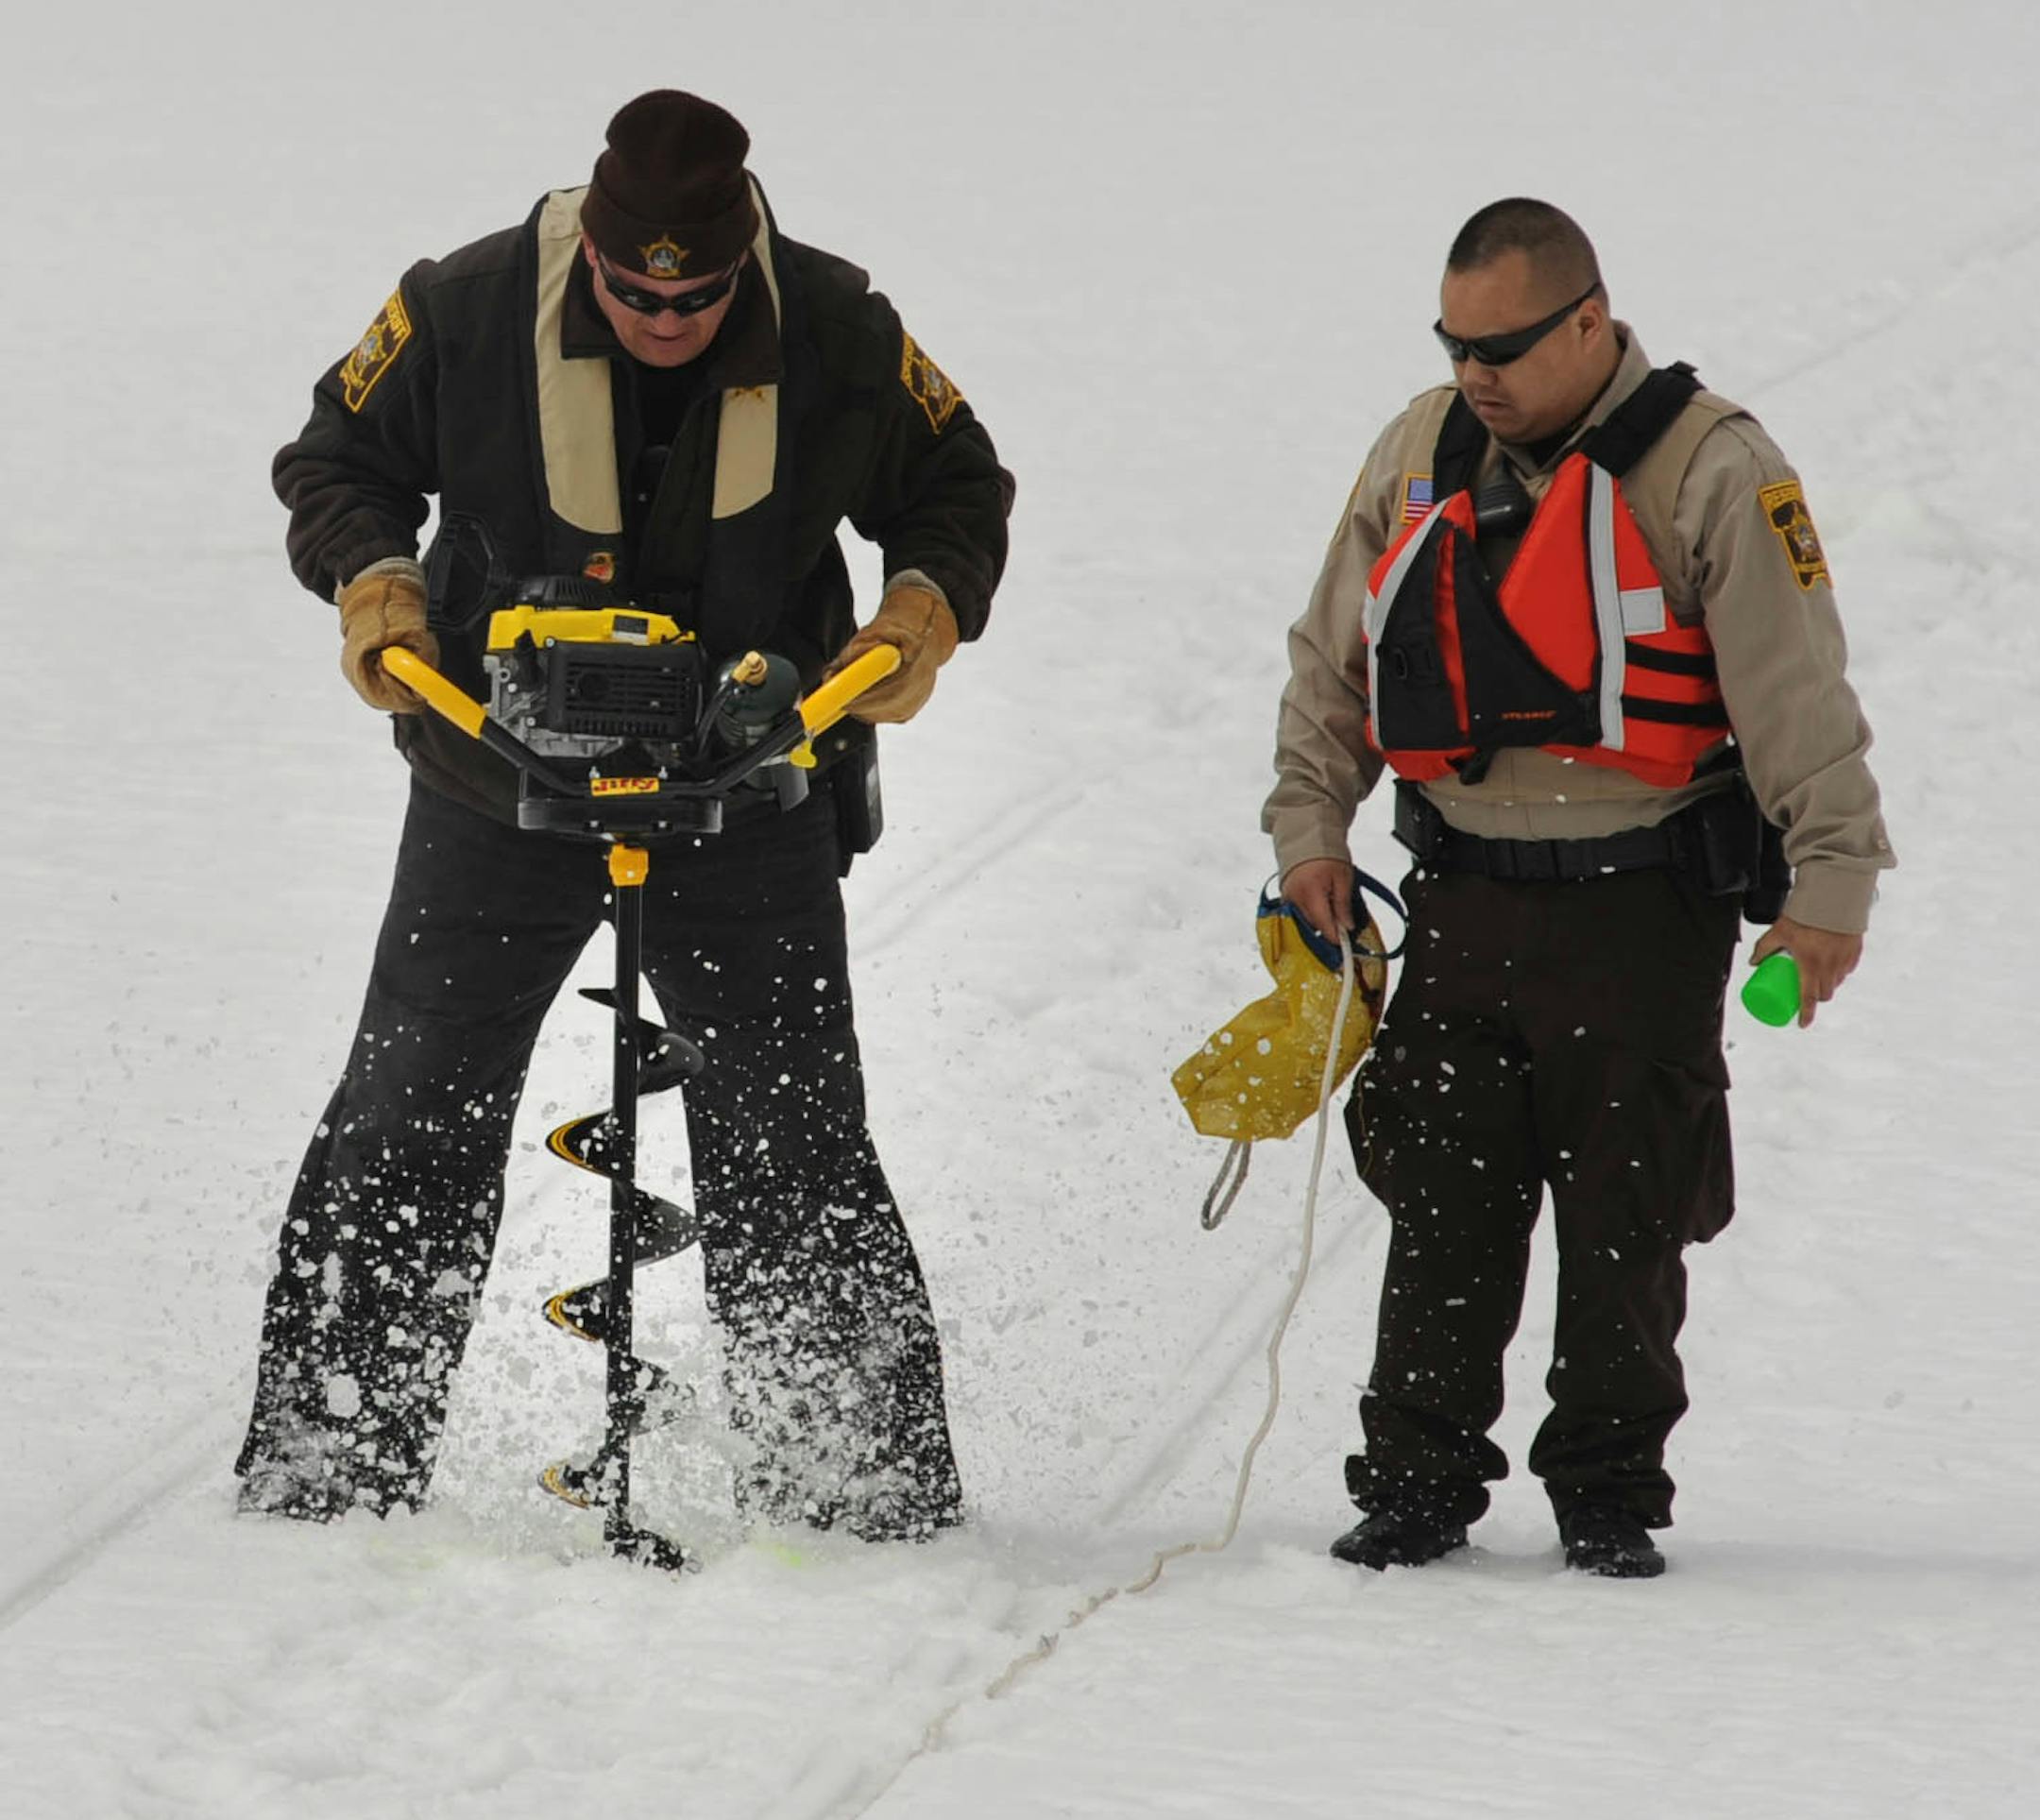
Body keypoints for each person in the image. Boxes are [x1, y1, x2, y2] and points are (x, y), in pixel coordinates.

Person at [236, 90, 1013, 1541]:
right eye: (635, 289)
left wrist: (924, 607)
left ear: (745, 262)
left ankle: (856, 1487)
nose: (666, 313)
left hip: (750, 790)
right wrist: (373, 579)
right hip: (495, 781)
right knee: (408, 1106)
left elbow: (960, 482)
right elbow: (332, 457)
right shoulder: (463, 307)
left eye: (701, 295)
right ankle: (329, 1467)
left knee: (793, 1133)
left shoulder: (841, 328)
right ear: (590, 251)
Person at [1266, 198, 1892, 1578]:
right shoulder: (1418, 450)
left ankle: (1609, 1491)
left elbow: (1799, 697)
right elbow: (1335, 664)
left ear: (1590, 322)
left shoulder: (1712, 466)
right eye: (1456, 343)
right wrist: (1309, 830)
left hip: (1638, 909)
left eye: (1506, 345)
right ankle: (1417, 1483)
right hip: (1467, 900)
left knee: (1629, 1211)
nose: (1477, 372)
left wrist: (1829, 889)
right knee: (1443, 1205)